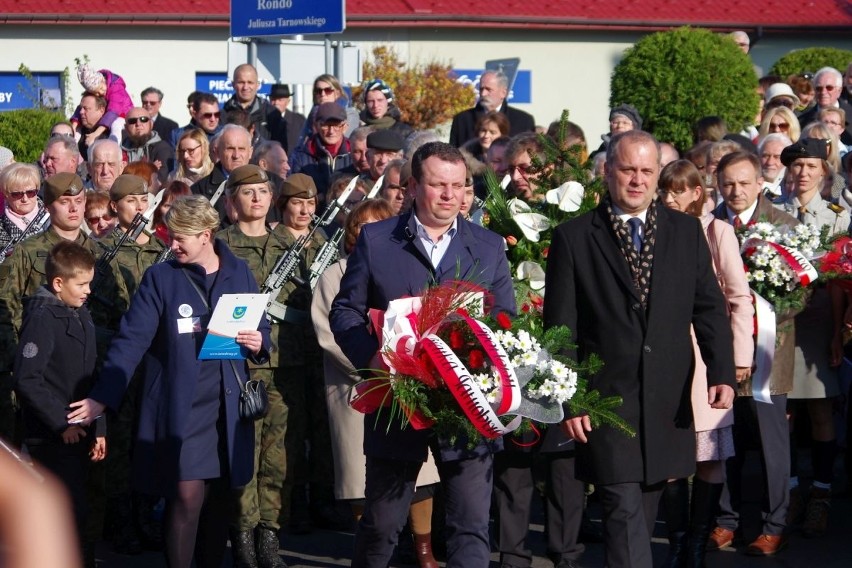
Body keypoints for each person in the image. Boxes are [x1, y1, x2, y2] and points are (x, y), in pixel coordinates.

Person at [544, 130, 736, 568]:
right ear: (607, 171)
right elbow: (560, 330)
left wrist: (721, 371)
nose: (637, 180)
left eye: (647, 171)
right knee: (624, 515)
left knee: (643, 513)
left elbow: (707, 306)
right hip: (606, 401)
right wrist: (572, 399)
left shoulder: (686, 232)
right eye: (628, 169)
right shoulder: (574, 238)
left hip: (668, 402)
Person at [330, 141, 516, 567]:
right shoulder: (378, 240)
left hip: (466, 402)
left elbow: (505, 318)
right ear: (414, 186)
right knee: (382, 524)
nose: (449, 195)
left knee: (470, 527)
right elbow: (345, 311)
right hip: (398, 397)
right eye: (437, 185)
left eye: (457, 185)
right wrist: (371, 359)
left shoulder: (487, 245)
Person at [67, 195, 271, 568]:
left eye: (180, 238)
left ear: (206, 235)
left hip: (227, 410)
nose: (171, 245)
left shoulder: (239, 271)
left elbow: (260, 326)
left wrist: (260, 342)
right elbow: (131, 342)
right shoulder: (161, 278)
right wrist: (102, 398)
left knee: (219, 504)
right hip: (184, 410)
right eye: (170, 236)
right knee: (187, 498)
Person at [311, 198, 441, 568]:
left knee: (421, 478)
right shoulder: (334, 273)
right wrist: (374, 369)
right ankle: (370, 555)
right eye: (362, 227)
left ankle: (423, 553)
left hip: (409, 385)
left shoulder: (403, 266)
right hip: (358, 388)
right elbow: (328, 332)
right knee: (361, 483)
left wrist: (410, 371)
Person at [657, 160, 754, 567]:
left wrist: (738, 359)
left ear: (697, 192)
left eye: (678, 190)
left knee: (710, 454)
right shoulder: (656, 230)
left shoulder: (718, 231)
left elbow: (737, 297)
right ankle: (678, 541)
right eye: (666, 190)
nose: (669, 197)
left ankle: (697, 543)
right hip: (668, 357)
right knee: (674, 456)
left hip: (708, 357)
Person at [708, 151, 800, 556]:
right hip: (719, 350)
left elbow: (800, 295)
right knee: (723, 439)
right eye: (729, 183)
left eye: (745, 183)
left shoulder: (785, 226)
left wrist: (762, 307)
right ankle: (726, 521)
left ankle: (773, 524)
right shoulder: (707, 225)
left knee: (771, 444)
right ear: (718, 184)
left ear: (760, 183)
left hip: (767, 351)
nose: (737, 191)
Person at [12, 240, 106, 562]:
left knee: (84, 511)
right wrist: (61, 423)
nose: (88, 291)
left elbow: (91, 376)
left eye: (90, 283)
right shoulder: (42, 319)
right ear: (58, 283)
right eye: (82, 284)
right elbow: (27, 378)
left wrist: (100, 427)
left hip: (81, 433)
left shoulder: (81, 313)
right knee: (63, 514)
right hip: (52, 439)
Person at [216, 165, 290, 568]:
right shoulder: (221, 246)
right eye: (248, 193)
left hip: (281, 364)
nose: (257, 198)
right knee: (242, 453)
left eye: (263, 191)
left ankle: (269, 537)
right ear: (233, 202)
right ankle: (242, 538)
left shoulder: (288, 242)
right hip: (236, 366)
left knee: (275, 456)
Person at [776, 138, 849, 538]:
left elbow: (841, 280)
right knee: (782, 414)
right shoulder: (773, 213)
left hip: (821, 320)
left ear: (824, 171)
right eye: (797, 165)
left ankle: (820, 493)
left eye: (810, 165)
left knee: (820, 410)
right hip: (782, 323)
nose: (802, 172)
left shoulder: (839, 218)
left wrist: (839, 332)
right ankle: (788, 494)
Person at [449, 70, 535, 147]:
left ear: (503, 93)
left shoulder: (524, 121)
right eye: (481, 89)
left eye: (488, 89)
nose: (483, 94)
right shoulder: (462, 120)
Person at [289, 102, 354, 198]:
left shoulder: (354, 153)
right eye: (326, 125)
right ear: (316, 126)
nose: (331, 131)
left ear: (344, 127)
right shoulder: (300, 156)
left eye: (336, 125)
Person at [72, 64, 133, 144]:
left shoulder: (116, 88)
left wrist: (95, 134)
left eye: (100, 88)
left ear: (102, 80)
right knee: (78, 128)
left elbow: (113, 112)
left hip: (123, 113)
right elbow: (82, 107)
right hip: (109, 113)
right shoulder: (97, 85)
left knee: (116, 125)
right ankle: (72, 143)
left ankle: (113, 145)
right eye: (95, 93)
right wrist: (74, 125)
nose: (100, 93)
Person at [0, 163, 47, 264]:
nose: (25, 199)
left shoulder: (53, 218)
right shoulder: (1, 226)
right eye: (17, 194)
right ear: (5, 194)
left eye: (31, 192)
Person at [798, 67, 852, 145]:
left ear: (839, 90)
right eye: (819, 88)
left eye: (829, 88)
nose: (823, 92)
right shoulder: (801, 121)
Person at [120, 107, 173, 184]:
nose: (138, 124)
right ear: (126, 127)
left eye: (143, 119)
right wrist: (148, 170)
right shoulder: (119, 149)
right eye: (132, 121)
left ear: (151, 124)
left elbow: (159, 182)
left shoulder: (162, 148)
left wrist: (128, 172)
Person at [222, 64, 275, 141]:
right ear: (233, 84)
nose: (245, 87)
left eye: (250, 82)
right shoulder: (223, 114)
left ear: (257, 85)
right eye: (241, 82)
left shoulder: (271, 114)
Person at [267, 83, 306, 154]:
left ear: (288, 101)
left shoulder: (299, 120)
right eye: (273, 99)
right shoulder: (264, 120)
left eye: (280, 99)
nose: (276, 103)